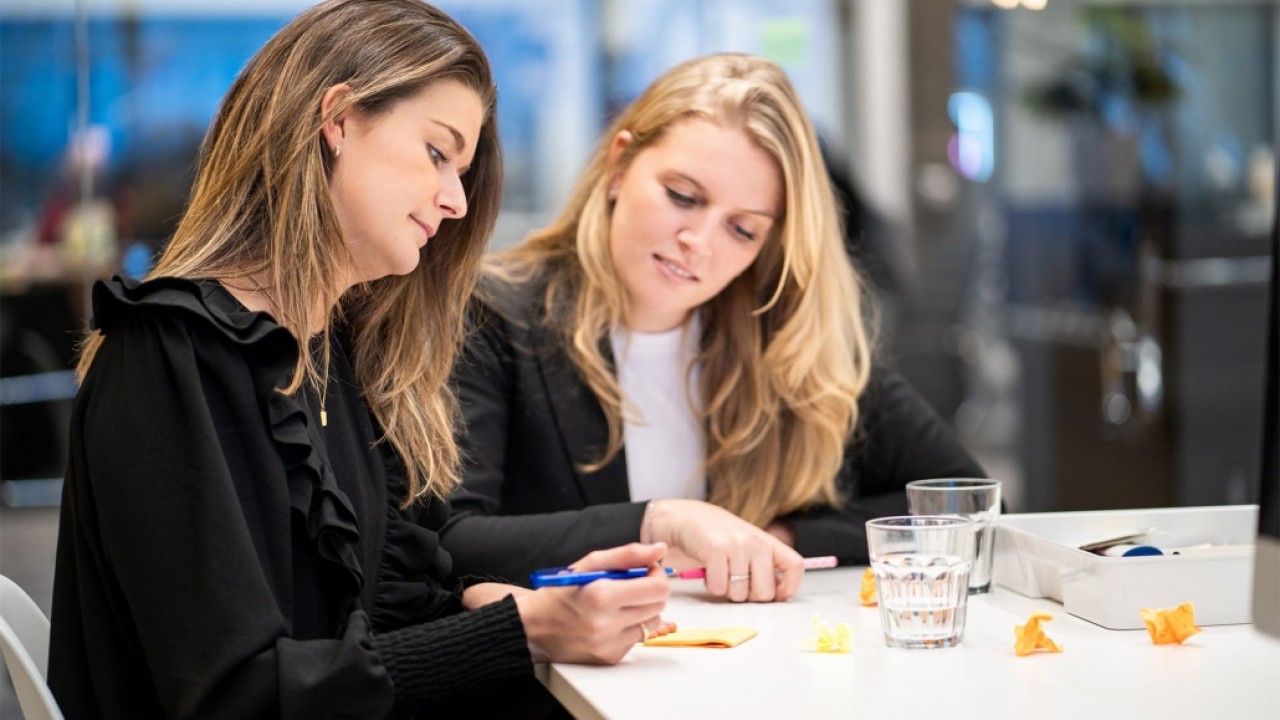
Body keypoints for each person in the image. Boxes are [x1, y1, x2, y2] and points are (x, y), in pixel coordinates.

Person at [48, 2, 670, 717]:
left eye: (463, 172)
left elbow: (379, 612)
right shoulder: (168, 353)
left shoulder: (333, 353)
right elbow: (231, 694)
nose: (456, 203)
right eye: (438, 154)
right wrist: (519, 633)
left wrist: (527, 598)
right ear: (337, 120)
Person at [444, 53, 985, 603]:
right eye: (682, 197)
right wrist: (661, 522)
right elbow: (447, 543)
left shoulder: (784, 337)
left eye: (742, 229)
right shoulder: (491, 314)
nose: (699, 242)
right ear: (619, 167)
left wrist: (781, 536)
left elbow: (965, 506)